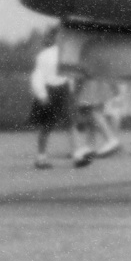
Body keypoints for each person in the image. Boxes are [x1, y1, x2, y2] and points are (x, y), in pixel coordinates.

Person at [29, 35, 79, 168]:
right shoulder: (61, 53)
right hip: (60, 88)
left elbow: (37, 76)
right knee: (68, 123)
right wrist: (71, 89)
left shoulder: (44, 55)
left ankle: (41, 157)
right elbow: (70, 74)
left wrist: (41, 94)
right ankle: (77, 154)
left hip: (51, 89)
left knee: (48, 126)